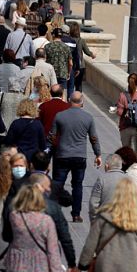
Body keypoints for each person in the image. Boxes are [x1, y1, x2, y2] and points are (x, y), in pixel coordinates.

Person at [3, 184, 64, 272]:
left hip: (18, 266)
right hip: (41, 269)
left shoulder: (14, 217)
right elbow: (52, 249)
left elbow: (6, 236)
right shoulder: (46, 221)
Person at [48, 91, 102, 222]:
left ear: (69, 100)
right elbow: (93, 138)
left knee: (57, 184)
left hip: (62, 155)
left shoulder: (60, 116)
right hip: (79, 156)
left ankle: (54, 212)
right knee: (77, 185)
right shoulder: (88, 118)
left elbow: (52, 137)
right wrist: (98, 154)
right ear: (82, 101)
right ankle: (76, 214)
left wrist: (47, 154)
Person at [88, 154, 130, 220]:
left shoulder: (102, 179)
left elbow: (93, 203)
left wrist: (94, 220)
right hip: (124, 220)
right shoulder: (129, 180)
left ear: (106, 166)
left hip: (105, 221)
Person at [115, 73, 137, 152]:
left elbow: (119, 112)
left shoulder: (123, 95)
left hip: (125, 127)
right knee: (136, 152)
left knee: (126, 151)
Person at [68, 23, 94, 92]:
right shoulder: (81, 40)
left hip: (70, 64)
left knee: (70, 84)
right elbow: (87, 52)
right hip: (80, 65)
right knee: (79, 85)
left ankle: (70, 98)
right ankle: (78, 99)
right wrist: (92, 55)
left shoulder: (68, 40)